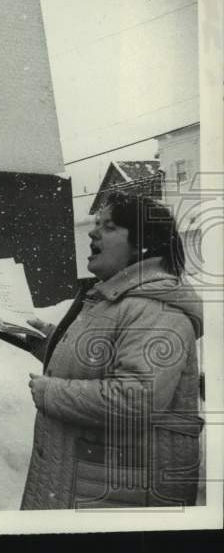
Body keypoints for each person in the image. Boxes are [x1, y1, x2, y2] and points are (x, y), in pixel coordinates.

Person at [20, 191, 203, 509]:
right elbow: (102, 357)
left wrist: (51, 393)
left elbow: (137, 397)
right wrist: (50, 343)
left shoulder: (156, 307)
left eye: (108, 226)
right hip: (92, 481)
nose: (92, 232)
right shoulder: (120, 298)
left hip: (115, 491)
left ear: (142, 243)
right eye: (95, 224)